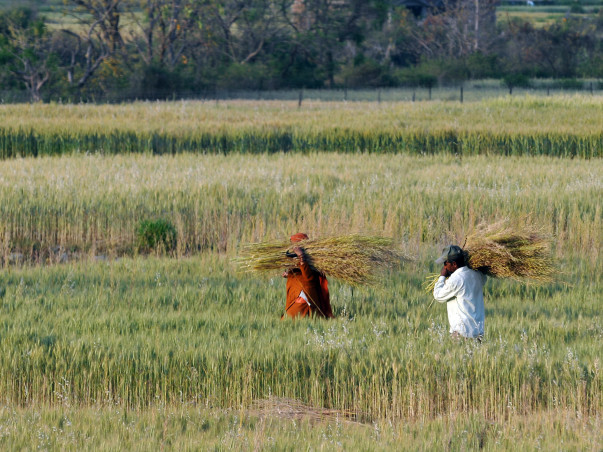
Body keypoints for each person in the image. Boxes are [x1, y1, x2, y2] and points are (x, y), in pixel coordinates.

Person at [433, 245, 486, 340]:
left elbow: (438, 296)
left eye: (446, 263)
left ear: (454, 264)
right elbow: (483, 278)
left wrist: (442, 277)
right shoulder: (478, 274)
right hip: (478, 333)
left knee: (458, 355)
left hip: (461, 333)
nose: (444, 266)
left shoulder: (456, 279)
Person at [282, 233, 334, 319]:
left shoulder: (309, 259)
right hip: (297, 298)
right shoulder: (295, 260)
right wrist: (289, 275)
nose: (292, 247)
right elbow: (299, 275)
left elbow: (308, 277)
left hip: (304, 300)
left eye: (293, 244)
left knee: (292, 320)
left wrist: (301, 257)